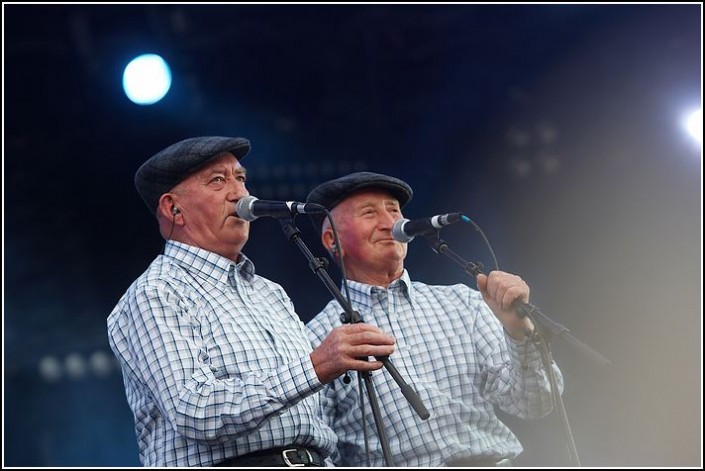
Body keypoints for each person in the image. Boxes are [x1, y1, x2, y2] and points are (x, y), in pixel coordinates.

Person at [107, 137, 396, 467]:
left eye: (240, 178)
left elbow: (314, 411)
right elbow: (195, 411)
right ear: (174, 208)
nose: (240, 193)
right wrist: (316, 366)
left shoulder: (269, 292)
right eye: (218, 180)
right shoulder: (156, 292)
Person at [304, 171, 564, 467]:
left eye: (393, 210)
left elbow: (536, 402)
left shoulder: (462, 303)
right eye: (369, 213)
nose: (389, 222)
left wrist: (518, 331)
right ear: (331, 239)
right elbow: (320, 451)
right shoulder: (317, 340)